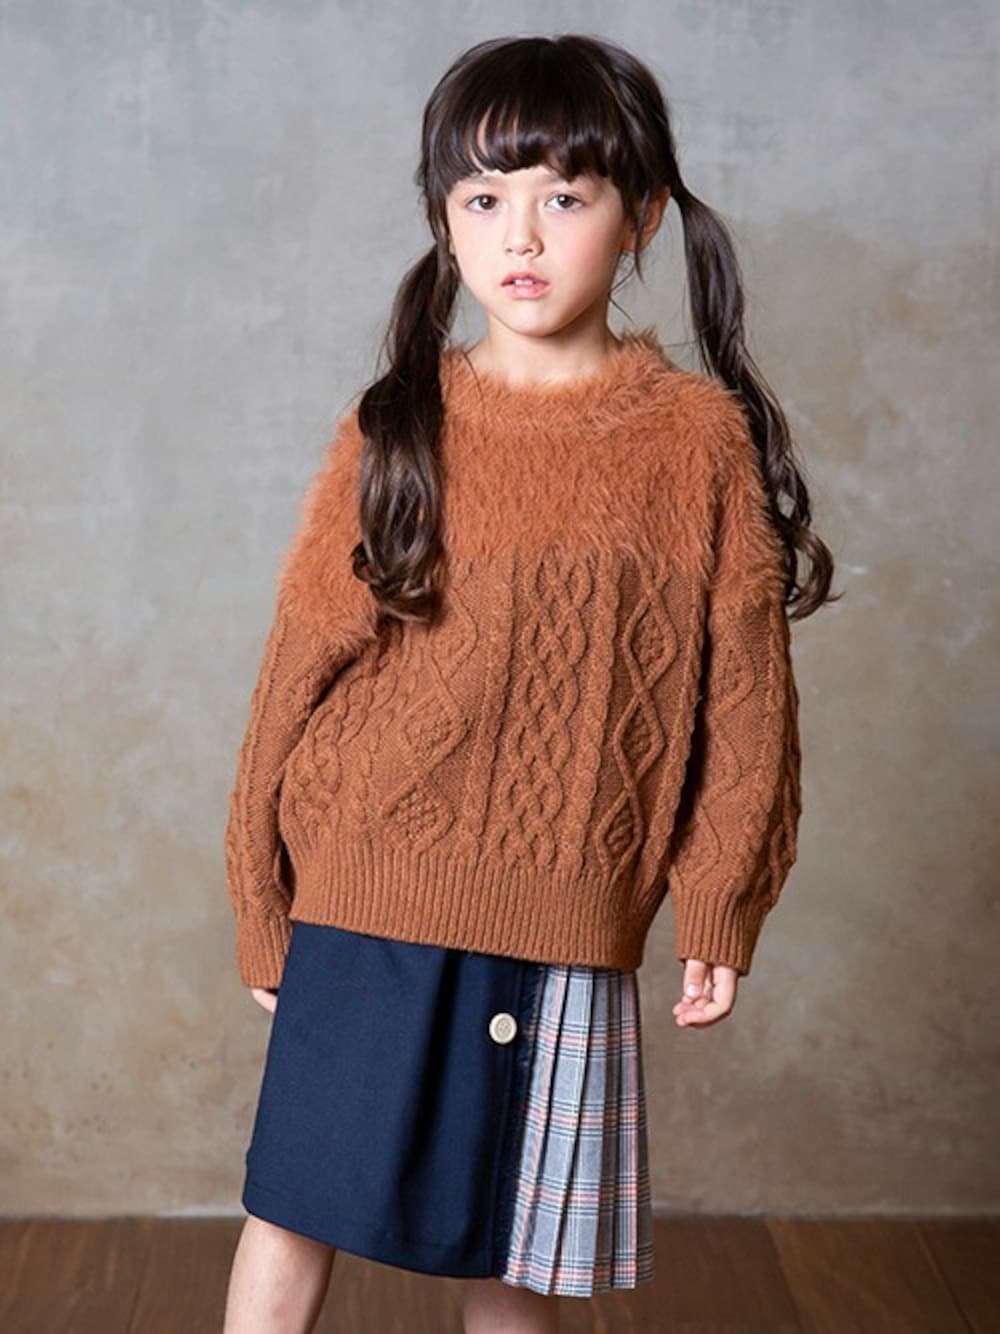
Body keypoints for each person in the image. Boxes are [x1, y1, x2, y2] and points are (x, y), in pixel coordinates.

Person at [221, 32, 835, 1334]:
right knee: (291, 1208)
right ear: (444, 221)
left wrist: (718, 897)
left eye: (565, 196)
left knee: (512, 1256)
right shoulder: (403, 424)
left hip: (566, 911)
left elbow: (745, 699)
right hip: (368, 884)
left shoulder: (695, 443)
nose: (522, 234)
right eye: (484, 198)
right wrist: (261, 891)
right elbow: (298, 669)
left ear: (640, 216)